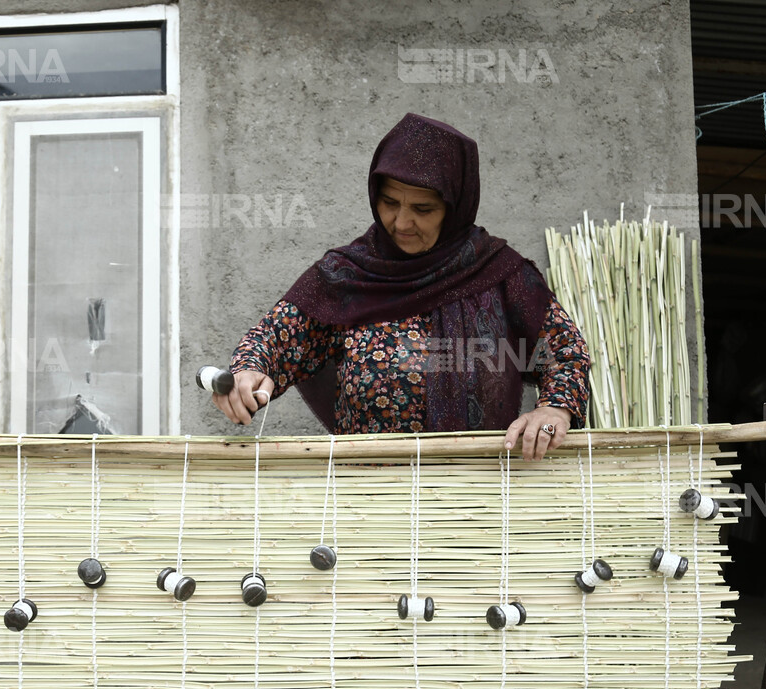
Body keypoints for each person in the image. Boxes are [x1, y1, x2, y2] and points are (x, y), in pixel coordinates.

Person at [212, 113, 589, 460]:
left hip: (477, 503)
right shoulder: (346, 276)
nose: (401, 222)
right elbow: (272, 341)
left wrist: (553, 408)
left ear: (456, 207)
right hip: (369, 503)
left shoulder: (500, 275)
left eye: (423, 209)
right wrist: (246, 373)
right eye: (390, 202)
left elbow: (565, 354)